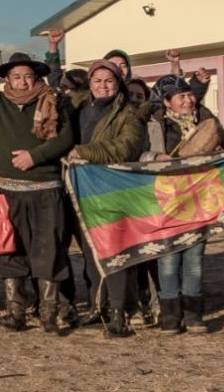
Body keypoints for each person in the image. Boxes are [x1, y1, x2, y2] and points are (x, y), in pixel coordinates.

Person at [0, 37, 75, 334]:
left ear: (37, 78)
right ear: (7, 79)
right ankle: (16, 312)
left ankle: (49, 312)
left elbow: (65, 137)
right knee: (9, 249)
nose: (23, 82)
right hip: (9, 190)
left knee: (49, 248)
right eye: (17, 76)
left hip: (46, 187)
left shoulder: (52, 102)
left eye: (28, 76)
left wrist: (35, 156)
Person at [60, 60, 157, 337]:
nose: (103, 86)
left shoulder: (129, 113)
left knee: (113, 251)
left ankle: (120, 313)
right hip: (77, 189)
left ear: (118, 84)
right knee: (90, 255)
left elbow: (126, 147)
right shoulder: (76, 108)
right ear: (89, 83)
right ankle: (98, 306)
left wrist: (84, 152)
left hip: (109, 190)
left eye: (109, 81)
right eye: (97, 81)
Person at [149, 71, 224, 333]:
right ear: (167, 102)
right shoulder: (156, 125)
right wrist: (153, 155)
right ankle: (170, 314)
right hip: (165, 199)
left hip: (199, 197)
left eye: (189, 94)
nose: (187, 100)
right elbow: (140, 154)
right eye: (180, 96)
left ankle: (193, 314)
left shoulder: (207, 121)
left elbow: (223, 149)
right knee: (168, 259)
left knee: (194, 259)